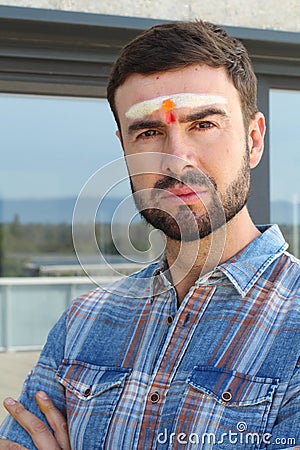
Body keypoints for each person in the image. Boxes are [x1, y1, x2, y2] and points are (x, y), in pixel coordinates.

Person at [0, 19, 299, 450]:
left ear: (254, 141)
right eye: (149, 132)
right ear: (124, 147)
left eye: (204, 125)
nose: (177, 160)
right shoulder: (82, 324)